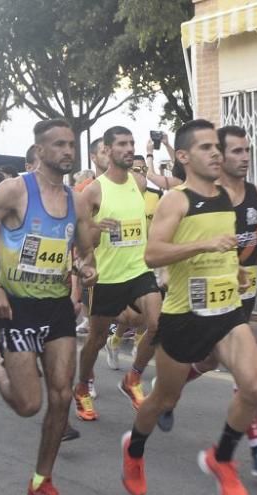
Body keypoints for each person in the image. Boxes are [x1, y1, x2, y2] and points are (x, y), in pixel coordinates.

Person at [120, 119, 257, 495]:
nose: (216, 153)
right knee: (163, 400)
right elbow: (153, 254)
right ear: (183, 156)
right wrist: (204, 246)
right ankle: (134, 452)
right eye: (206, 148)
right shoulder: (177, 199)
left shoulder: (224, 197)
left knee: (253, 387)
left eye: (218, 147)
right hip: (184, 316)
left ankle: (222, 459)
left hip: (227, 312)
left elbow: (224, 246)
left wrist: (232, 267)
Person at [0, 118, 98, 495]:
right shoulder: (15, 189)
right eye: (59, 145)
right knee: (28, 405)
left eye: (71, 144)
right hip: (16, 308)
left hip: (55, 308)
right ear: (39, 151)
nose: (68, 151)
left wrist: (85, 267)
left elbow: (82, 251)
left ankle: (41, 482)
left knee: (61, 394)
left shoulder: (76, 199)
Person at [155, 125, 257, 478]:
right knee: (234, 372)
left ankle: (167, 396)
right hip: (199, 297)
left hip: (240, 294)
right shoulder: (199, 197)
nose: (242, 157)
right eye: (235, 151)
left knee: (215, 364)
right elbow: (167, 246)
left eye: (246, 151)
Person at [73, 126, 163, 421]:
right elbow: (80, 238)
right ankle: (83, 387)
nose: (128, 148)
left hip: (138, 269)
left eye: (131, 143)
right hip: (107, 277)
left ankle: (132, 379)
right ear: (108, 151)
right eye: (122, 144)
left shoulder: (139, 183)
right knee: (96, 338)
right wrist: (97, 229)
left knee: (158, 324)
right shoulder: (93, 191)